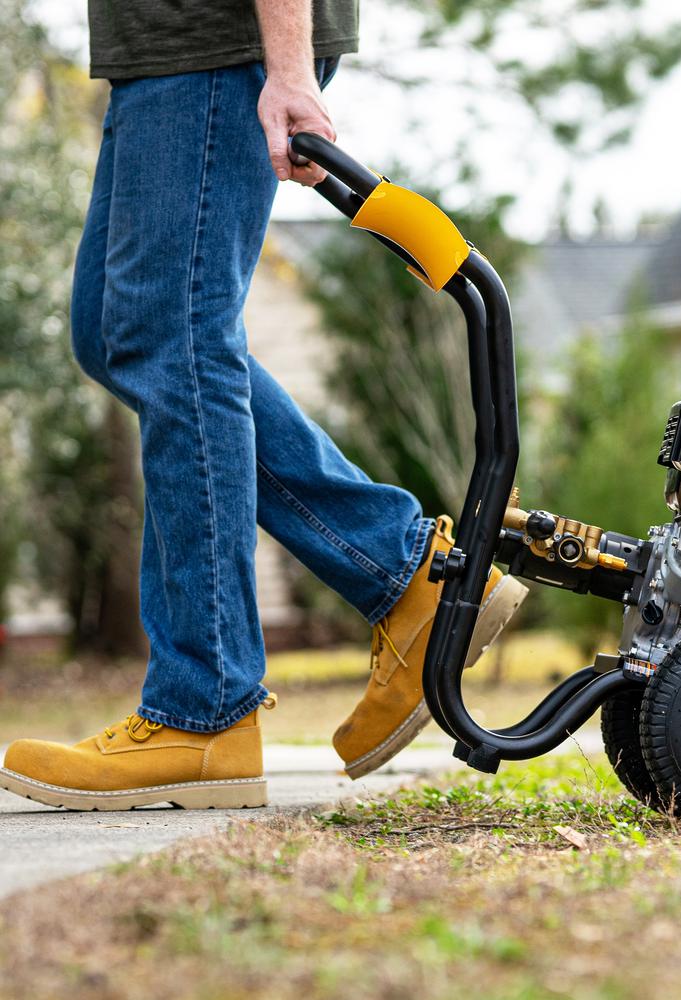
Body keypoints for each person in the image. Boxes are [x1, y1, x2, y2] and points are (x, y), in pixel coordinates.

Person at [0, 0, 526, 812]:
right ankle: (400, 572)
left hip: (208, 43)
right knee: (116, 333)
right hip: (167, 51)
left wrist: (288, 66)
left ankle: (203, 706)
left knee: (174, 332)